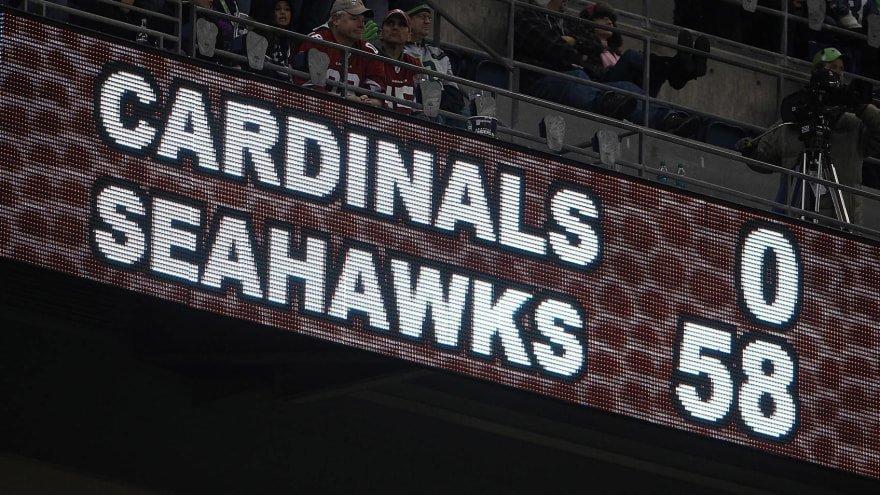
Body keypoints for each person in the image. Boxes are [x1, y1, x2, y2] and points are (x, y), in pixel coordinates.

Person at [514, 0, 703, 134]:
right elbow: (556, 49)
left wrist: (573, 42)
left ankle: (668, 117)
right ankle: (608, 101)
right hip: (543, 81)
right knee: (579, 77)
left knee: (626, 87)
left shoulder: (567, 23)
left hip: (586, 80)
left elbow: (591, 45)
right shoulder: (528, 15)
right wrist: (577, 48)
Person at [741, 47, 880, 225]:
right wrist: (750, 151)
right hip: (795, 222)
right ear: (816, 72)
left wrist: (861, 107)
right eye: (832, 67)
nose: (838, 73)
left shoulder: (853, 124)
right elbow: (765, 158)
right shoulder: (795, 119)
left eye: (841, 69)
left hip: (839, 224)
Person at [293, 0, 385, 107]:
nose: (361, 25)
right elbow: (306, 89)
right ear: (336, 20)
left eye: (363, 20)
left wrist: (370, 102)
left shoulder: (369, 52)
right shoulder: (316, 43)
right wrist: (345, 99)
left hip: (354, 114)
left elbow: (378, 97)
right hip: (312, 110)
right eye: (354, 19)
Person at [390, 1, 469, 122]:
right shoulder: (397, 51)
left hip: (441, 107)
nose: (427, 21)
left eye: (429, 18)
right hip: (415, 107)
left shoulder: (438, 53)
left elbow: (453, 89)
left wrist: (440, 101)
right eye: (422, 17)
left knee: (468, 116)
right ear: (407, 20)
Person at [377, 9, 423, 114]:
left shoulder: (415, 64)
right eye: (390, 23)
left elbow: (421, 102)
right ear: (381, 33)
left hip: (407, 122)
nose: (395, 27)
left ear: (409, 36)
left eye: (402, 25)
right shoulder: (371, 58)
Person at [253, 0, 298, 81]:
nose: (283, 12)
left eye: (287, 9)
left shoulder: (294, 39)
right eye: (277, 9)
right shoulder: (260, 34)